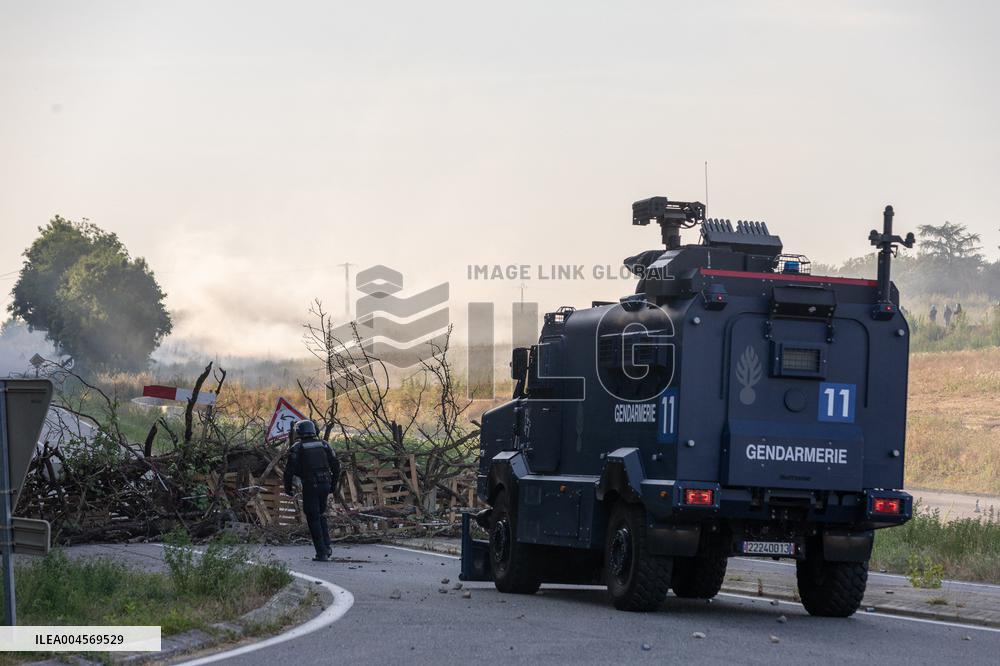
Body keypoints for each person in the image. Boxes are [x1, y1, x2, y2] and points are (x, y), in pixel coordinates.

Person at [283, 420, 340, 562]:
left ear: (299, 432)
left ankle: (321, 553)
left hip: (310, 485)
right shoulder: (325, 445)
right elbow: (336, 466)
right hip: (325, 484)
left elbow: (289, 470)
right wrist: (333, 485)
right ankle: (327, 547)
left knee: (313, 517)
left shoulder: (298, 447)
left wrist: (288, 488)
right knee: (321, 515)